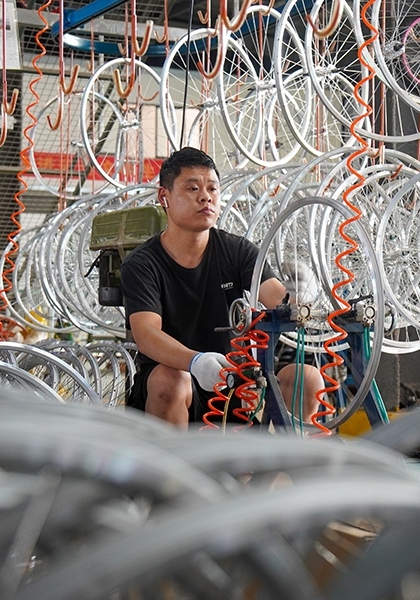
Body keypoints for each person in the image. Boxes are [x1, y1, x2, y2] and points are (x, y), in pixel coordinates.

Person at [120, 147, 324, 428]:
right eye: (192, 188)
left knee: (307, 378)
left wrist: (304, 304)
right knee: (170, 380)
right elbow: (146, 333)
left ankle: (286, 467)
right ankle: (172, 469)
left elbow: (277, 297)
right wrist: (196, 363)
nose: (206, 197)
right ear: (164, 197)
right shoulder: (142, 264)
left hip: (236, 378)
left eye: (212, 189)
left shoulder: (237, 251)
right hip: (179, 381)